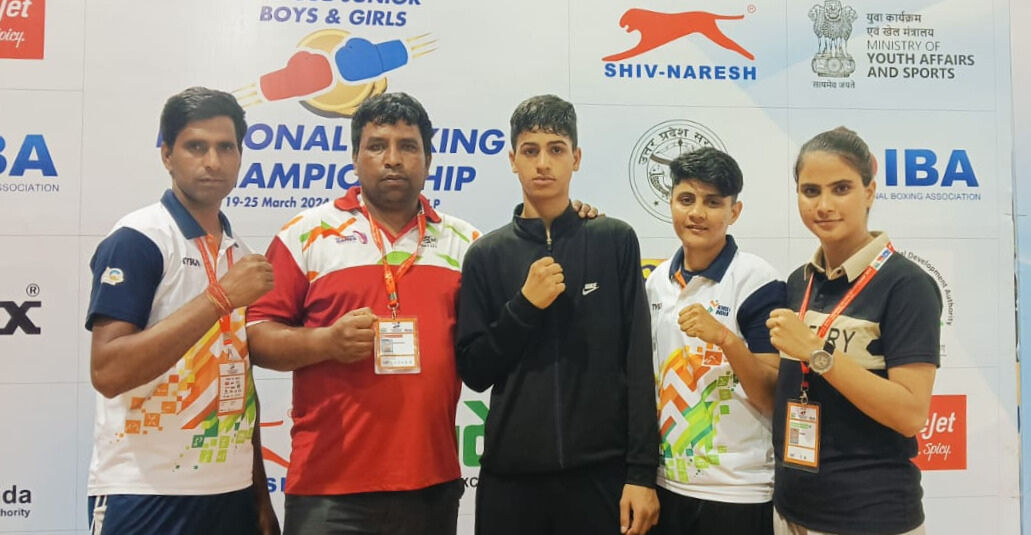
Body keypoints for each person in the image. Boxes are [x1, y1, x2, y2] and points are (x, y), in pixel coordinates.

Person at [245, 92, 476, 535]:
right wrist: (324, 342)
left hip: (431, 485)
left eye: (408, 146)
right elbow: (254, 337)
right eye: (377, 145)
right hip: (328, 488)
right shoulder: (306, 236)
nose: (393, 159)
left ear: (429, 159)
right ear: (354, 157)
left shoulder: (466, 244)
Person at [456, 94, 660, 535]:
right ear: (512, 160)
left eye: (556, 149)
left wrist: (641, 474)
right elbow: (474, 370)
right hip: (511, 483)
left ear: (577, 158)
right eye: (530, 151)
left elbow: (637, 364)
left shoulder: (614, 241)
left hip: (600, 478)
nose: (542, 163)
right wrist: (524, 307)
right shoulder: (485, 256)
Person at [85, 87, 278, 535]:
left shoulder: (238, 253)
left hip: (229, 493)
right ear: (167, 155)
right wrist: (220, 298)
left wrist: (259, 497)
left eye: (225, 147)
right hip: (144, 491)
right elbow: (108, 371)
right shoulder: (139, 239)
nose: (213, 161)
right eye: (196, 146)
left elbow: (240, 380)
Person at [767, 127, 940, 535]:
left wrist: (816, 353)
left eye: (840, 188)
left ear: (870, 191)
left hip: (870, 516)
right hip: (793, 512)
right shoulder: (800, 282)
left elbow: (910, 414)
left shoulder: (906, 284)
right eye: (810, 191)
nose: (824, 205)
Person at [647, 147, 785, 535]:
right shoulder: (655, 281)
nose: (697, 213)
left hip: (739, 490)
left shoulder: (758, 281)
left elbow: (772, 395)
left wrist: (725, 338)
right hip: (667, 483)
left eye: (712, 202)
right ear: (670, 202)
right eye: (686, 199)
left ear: (734, 212)